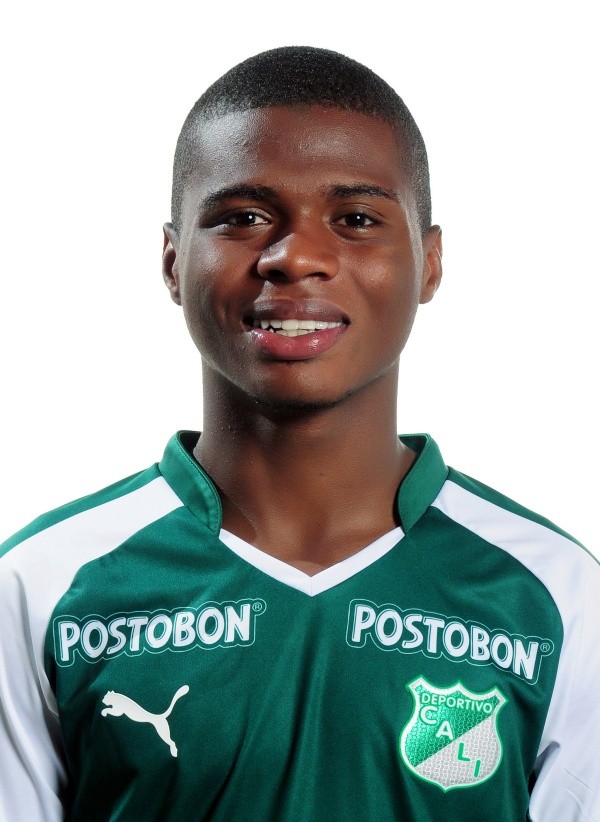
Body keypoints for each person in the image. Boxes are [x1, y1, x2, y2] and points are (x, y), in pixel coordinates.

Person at [0, 45, 598, 822]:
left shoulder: (557, 597)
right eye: (244, 218)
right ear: (174, 262)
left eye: (354, 219)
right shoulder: (43, 588)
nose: (297, 257)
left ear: (429, 263)